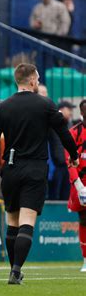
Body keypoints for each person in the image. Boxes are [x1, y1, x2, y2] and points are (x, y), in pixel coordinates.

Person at [0, 63, 78, 284]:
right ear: (33, 80)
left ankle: (13, 270)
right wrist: (74, 155)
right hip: (35, 168)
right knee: (27, 221)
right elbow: (64, 133)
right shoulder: (45, 104)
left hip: (11, 168)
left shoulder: (1, 107)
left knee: (13, 222)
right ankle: (16, 270)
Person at [65, 100, 86, 272]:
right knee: (84, 221)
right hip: (82, 185)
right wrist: (79, 185)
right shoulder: (74, 132)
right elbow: (69, 161)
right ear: (82, 113)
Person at [48, 101, 75, 201]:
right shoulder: (53, 124)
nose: (71, 113)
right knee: (54, 193)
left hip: (67, 164)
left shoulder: (69, 125)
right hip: (55, 166)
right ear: (62, 110)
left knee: (66, 193)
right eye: (69, 110)